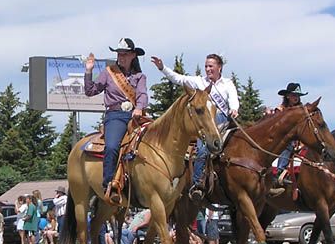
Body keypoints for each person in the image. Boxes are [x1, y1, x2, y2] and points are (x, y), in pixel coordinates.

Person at [151, 53, 239, 199]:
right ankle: (197, 183)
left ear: (219, 67)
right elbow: (179, 79)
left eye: (211, 66)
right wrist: (162, 68)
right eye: (206, 66)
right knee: (202, 147)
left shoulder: (227, 83)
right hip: (205, 122)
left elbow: (233, 97)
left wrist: (234, 108)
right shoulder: (199, 82)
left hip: (223, 118)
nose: (208, 69)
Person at [84, 38, 148, 204]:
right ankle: (109, 184)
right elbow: (90, 91)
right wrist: (88, 71)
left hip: (136, 115)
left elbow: (142, 95)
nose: (121, 57)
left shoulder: (140, 77)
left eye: (125, 54)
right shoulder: (108, 72)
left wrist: (139, 108)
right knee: (112, 146)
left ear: (133, 55)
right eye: (119, 54)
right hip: (116, 116)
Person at [270, 82, 308, 193]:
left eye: (298, 95)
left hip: (299, 142)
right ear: (287, 96)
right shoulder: (281, 110)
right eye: (293, 95)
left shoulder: (302, 111)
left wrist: (301, 143)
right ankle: (278, 173)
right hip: (283, 141)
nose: (296, 97)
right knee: (287, 146)